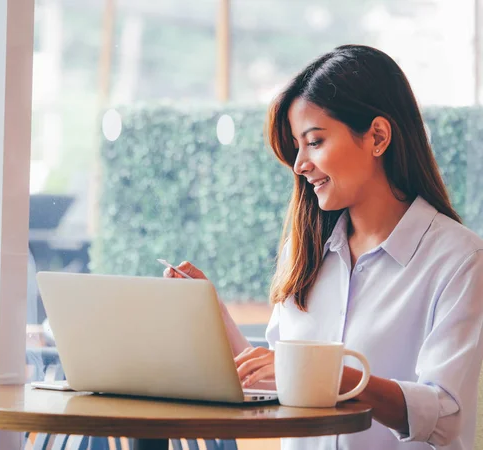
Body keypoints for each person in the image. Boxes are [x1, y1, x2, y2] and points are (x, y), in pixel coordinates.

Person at [164, 44, 483, 450]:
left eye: (314, 142)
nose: (299, 164)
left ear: (378, 137)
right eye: (297, 146)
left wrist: (326, 374)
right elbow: (279, 382)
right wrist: (211, 314)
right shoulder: (305, 253)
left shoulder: (458, 260)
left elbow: (443, 417)